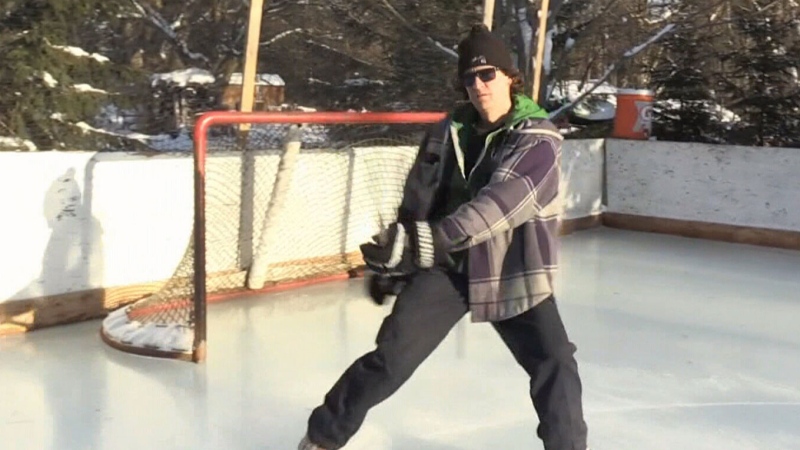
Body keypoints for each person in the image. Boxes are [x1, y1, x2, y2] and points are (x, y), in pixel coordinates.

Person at [299, 24, 589, 450]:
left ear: (511, 77)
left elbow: (498, 207)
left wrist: (425, 242)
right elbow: (418, 198)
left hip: (511, 269)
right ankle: (322, 438)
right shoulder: (445, 131)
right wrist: (399, 256)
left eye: (487, 74)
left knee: (555, 364)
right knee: (389, 360)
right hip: (447, 269)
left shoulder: (538, 138)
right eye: (469, 78)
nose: (478, 85)